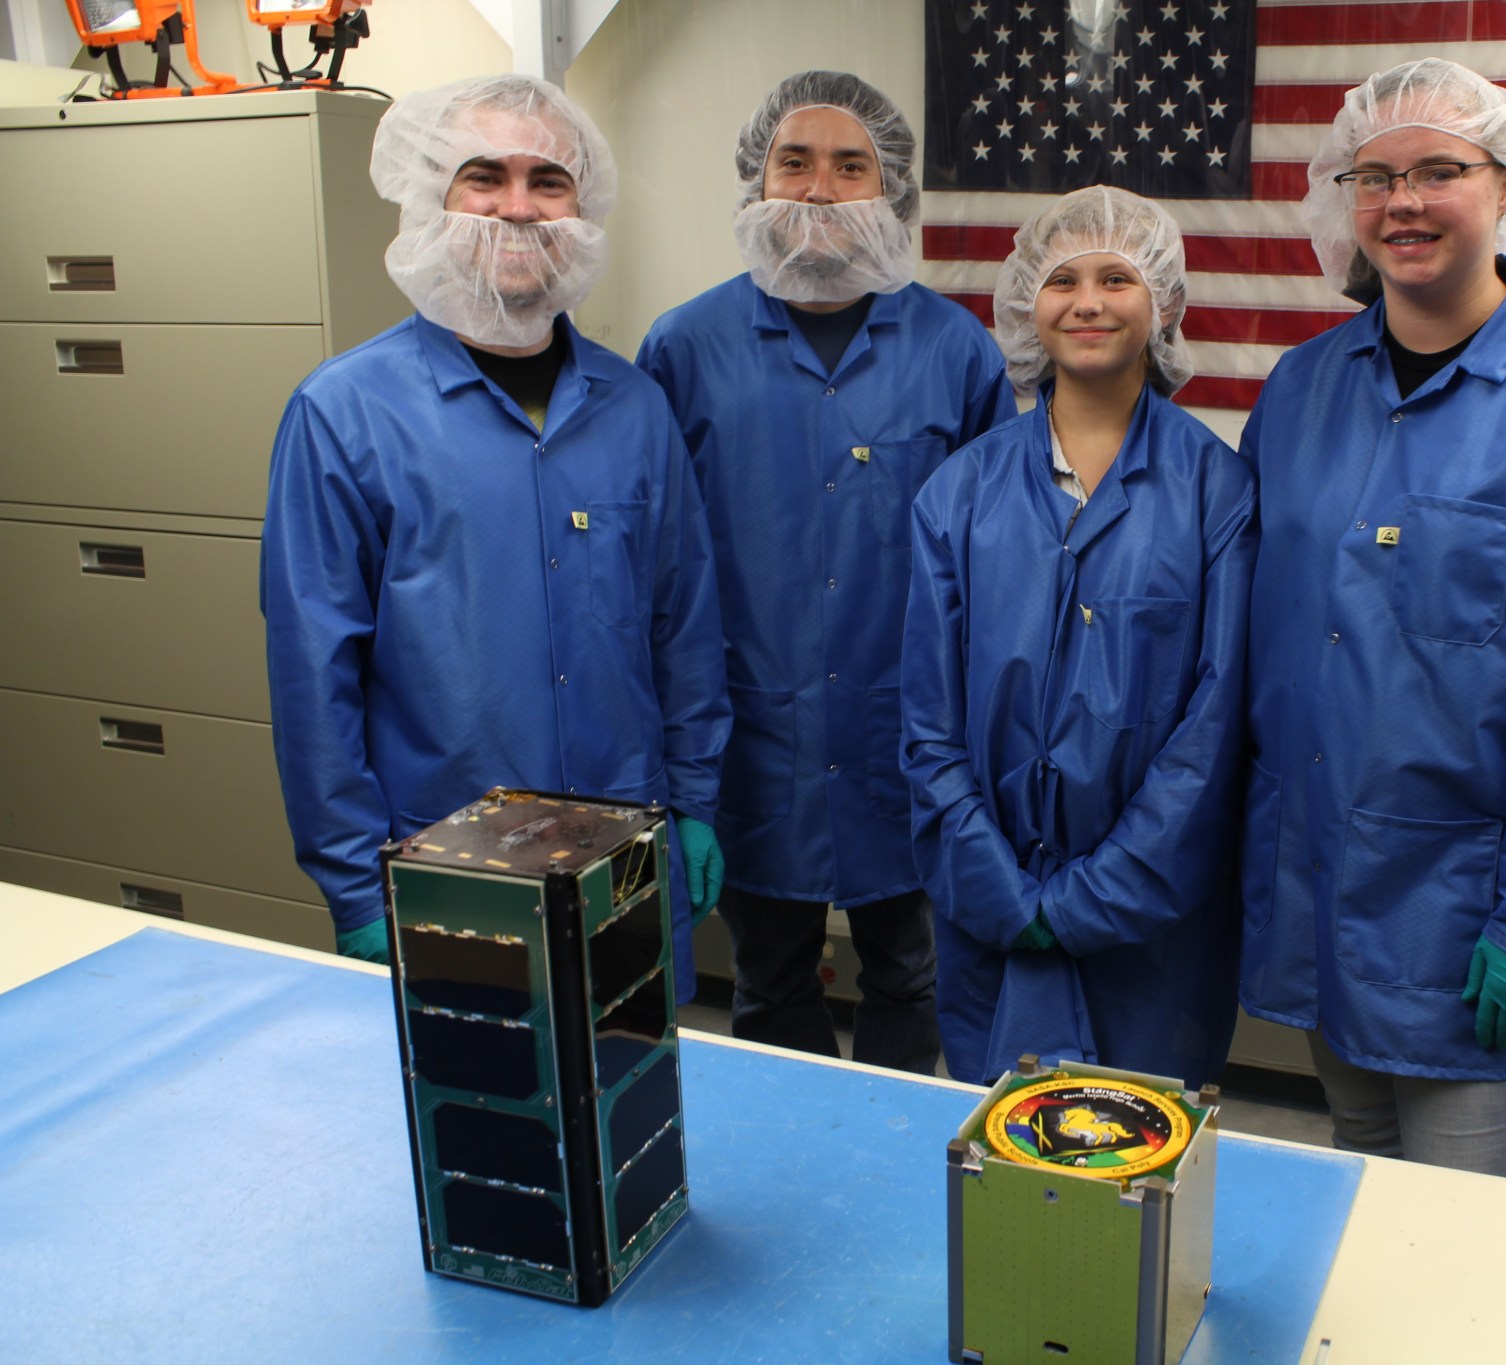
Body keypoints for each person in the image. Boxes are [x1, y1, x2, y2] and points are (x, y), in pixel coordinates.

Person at [1237, 59, 1506, 1176]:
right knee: (1352, 1182)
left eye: (1438, 170)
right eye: (1372, 176)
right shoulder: (1297, 391)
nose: (1402, 202)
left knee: (1458, 1233)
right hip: (1314, 893)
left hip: (1462, 918)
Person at [262, 74, 730, 973]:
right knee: (478, 1101)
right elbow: (313, 678)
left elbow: (685, 629)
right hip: (445, 863)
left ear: (583, 207)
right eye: (485, 175)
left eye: (548, 180)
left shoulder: (634, 406)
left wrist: (697, 802)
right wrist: (357, 887)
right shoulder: (344, 413)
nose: (518, 206)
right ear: (430, 196)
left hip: (625, 848)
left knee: (633, 1099)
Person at [636, 71, 1012, 1074]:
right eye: (790, 161)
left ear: (890, 191)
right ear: (755, 180)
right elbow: (660, 571)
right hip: (753, 740)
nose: (817, 187)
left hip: (909, 738)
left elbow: (998, 565)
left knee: (908, 974)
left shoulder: (954, 350)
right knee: (768, 980)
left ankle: (889, 1154)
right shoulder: (683, 348)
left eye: (851, 166)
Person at [901, 186, 1254, 1088]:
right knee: (997, 1163)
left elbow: (1212, 729)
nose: (1087, 300)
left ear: (1164, 305)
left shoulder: (1219, 491)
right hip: (993, 910)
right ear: (1027, 303)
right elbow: (928, 721)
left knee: (1139, 1171)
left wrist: (1099, 894)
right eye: (1061, 278)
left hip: (1152, 927)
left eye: (1116, 277)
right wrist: (1003, 891)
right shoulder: (958, 492)